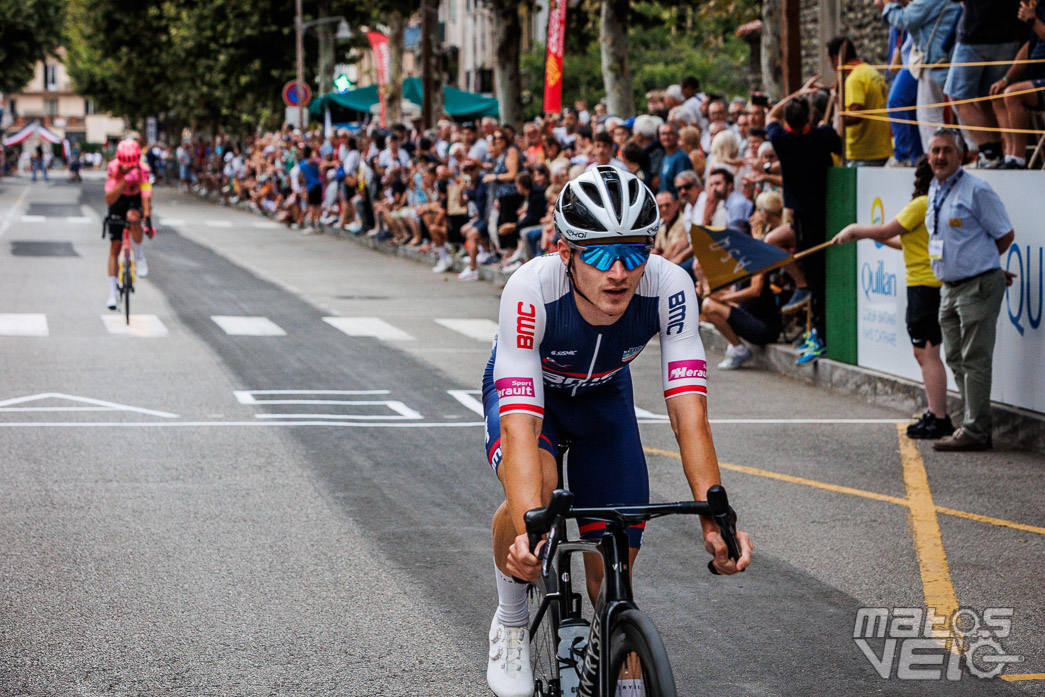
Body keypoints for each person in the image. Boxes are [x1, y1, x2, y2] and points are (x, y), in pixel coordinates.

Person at [482, 166, 752, 697]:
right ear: (567, 253)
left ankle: (617, 655)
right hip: (534, 399)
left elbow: (688, 414)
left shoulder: (669, 286)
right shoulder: (530, 289)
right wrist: (527, 531)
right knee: (534, 495)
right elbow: (520, 427)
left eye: (634, 251)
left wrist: (716, 513)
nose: (620, 271)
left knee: (615, 551)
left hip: (604, 398)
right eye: (601, 254)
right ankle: (512, 620)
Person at [831, 156, 954, 439]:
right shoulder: (929, 206)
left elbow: (886, 231)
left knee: (927, 351)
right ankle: (935, 411)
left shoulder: (920, 205)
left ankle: (939, 416)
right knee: (924, 352)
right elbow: (901, 240)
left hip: (925, 286)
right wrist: (861, 236)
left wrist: (855, 230)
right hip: (924, 285)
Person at [922, 128, 1015, 451]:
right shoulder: (935, 189)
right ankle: (974, 424)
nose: (940, 157)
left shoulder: (977, 190)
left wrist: (986, 268)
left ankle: (975, 429)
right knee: (955, 356)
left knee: (974, 358)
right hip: (948, 288)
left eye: (947, 150)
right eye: (935, 150)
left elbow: (1004, 234)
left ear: (961, 156)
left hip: (976, 286)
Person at [766, 78, 843, 365]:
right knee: (817, 278)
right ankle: (817, 331)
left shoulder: (782, 140)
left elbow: (771, 115)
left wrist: (799, 92)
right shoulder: (822, 136)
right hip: (824, 214)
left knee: (816, 279)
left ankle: (820, 334)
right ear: (810, 116)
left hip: (802, 220)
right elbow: (837, 136)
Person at [943, 0, 1024, 166]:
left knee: (959, 96)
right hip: (1008, 33)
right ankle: (999, 153)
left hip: (974, 33)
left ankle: (988, 152)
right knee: (990, 96)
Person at [878, 0, 964, 154]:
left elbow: (904, 19)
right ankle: (963, 150)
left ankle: (933, 153)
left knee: (928, 112)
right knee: (959, 105)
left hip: (933, 59)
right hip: (943, 57)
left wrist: (888, 4)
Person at [989, 0, 1045, 169]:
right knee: (998, 94)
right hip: (1036, 80)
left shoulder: (1035, 14)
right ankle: (1009, 156)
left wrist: (1031, 20)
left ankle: (1018, 160)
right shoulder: (1039, 6)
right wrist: (1005, 79)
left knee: (1013, 94)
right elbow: (1029, 48)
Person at [103, 139, 155, 310]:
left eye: (131, 164)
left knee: (134, 217)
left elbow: (146, 192)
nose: (128, 167)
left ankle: (139, 255)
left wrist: (147, 215)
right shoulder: (113, 168)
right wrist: (124, 180)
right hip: (118, 197)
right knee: (115, 247)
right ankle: (112, 293)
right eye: (125, 164)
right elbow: (109, 198)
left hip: (135, 198)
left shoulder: (143, 169)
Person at [828, 35, 893, 166]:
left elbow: (856, 115)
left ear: (835, 59)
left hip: (864, 153)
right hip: (881, 149)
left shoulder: (854, 78)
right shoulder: (870, 71)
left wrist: (835, 121)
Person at [657, 122, 693, 196]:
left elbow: (683, 187)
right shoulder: (665, 157)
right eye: (663, 134)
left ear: (677, 136)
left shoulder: (681, 158)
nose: (666, 137)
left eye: (670, 133)